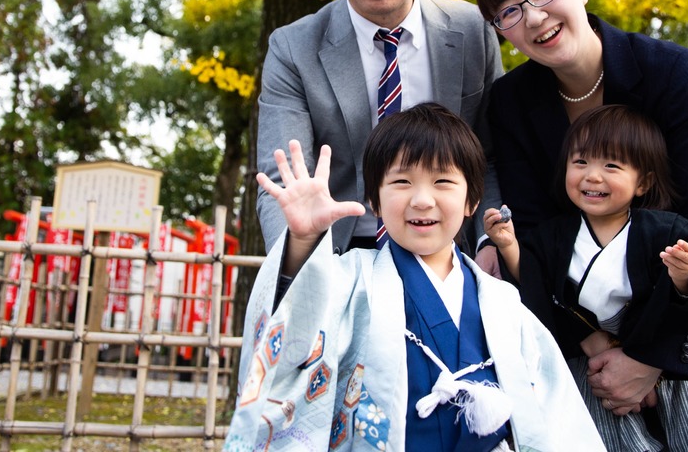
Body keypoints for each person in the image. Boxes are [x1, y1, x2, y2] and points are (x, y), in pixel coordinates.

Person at [473, 0, 688, 449]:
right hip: (584, 340)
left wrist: (649, 356)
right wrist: (598, 349)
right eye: (509, 12)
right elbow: (539, 236)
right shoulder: (511, 102)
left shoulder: (670, 72)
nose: (534, 18)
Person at [224, 103, 606, 451]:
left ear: (472, 200)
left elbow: (556, 412)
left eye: (443, 182)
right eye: (402, 182)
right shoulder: (351, 280)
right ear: (374, 199)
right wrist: (304, 242)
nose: (422, 199)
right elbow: (296, 331)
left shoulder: (503, 302)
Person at [256, 0, 503, 256]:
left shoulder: (473, 30)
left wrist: (492, 242)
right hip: (341, 252)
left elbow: (491, 156)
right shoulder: (293, 48)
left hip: (451, 251)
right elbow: (283, 179)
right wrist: (299, 257)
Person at [482, 105, 688, 451]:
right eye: (580, 163)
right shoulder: (553, 236)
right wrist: (508, 246)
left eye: (611, 165)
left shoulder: (665, 230)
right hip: (592, 361)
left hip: (668, 353)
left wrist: (687, 274)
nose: (592, 176)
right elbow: (536, 284)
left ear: (643, 182)